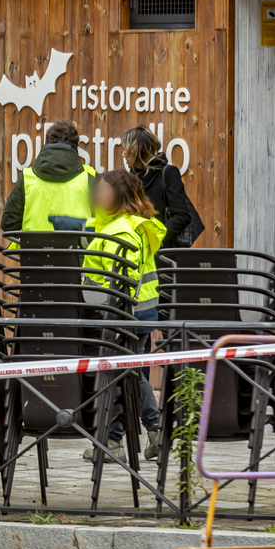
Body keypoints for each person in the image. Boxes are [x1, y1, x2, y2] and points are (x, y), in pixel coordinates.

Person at [80, 169, 166, 464]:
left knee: (126, 372)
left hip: (123, 313)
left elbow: (119, 278)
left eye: (104, 191)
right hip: (141, 311)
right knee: (128, 372)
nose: (98, 196)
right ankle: (127, 438)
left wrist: (94, 293)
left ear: (118, 196)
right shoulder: (134, 223)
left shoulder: (121, 230)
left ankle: (142, 432)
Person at [0, 119, 98, 234]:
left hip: (33, 251)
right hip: (78, 251)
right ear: (76, 148)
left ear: (47, 143)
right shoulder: (89, 178)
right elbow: (103, 224)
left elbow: (8, 224)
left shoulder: (27, 178)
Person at [120, 126, 198, 250]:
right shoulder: (131, 177)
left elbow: (182, 215)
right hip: (136, 250)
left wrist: (159, 240)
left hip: (162, 254)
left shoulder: (168, 173)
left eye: (125, 149)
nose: (123, 154)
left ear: (137, 150)